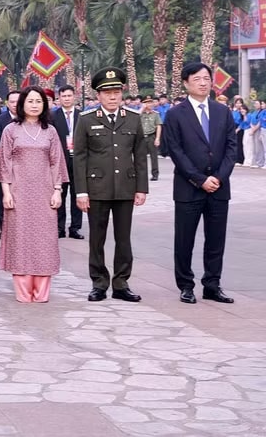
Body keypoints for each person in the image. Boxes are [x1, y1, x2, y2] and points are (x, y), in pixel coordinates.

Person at [164, 62, 237, 304]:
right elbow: (175, 151)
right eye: (197, 79)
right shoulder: (175, 114)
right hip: (188, 188)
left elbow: (231, 148)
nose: (203, 83)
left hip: (219, 188)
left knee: (216, 240)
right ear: (186, 83)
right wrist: (199, 179)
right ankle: (186, 285)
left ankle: (212, 285)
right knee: (184, 240)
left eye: (207, 78)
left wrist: (218, 177)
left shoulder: (223, 112)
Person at [73, 67, 148, 303]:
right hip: (97, 189)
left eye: (116, 92)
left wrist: (142, 188)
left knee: (123, 238)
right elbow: (80, 157)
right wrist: (81, 191)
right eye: (107, 93)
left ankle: (121, 282)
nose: (113, 97)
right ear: (98, 95)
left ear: (122, 93)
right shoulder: (86, 120)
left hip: (125, 187)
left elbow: (140, 155)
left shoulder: (134, 119)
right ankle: (99, 282)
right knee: (97, 238)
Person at [0, 87, 69, 303]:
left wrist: (57, 190)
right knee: (21, 239)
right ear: (22, 104)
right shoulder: (11, 130)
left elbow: (57, 162)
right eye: (30, 101)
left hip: (45, 193)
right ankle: (24, 291)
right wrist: (6, 192)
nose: (34, 105)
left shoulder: (50, 131)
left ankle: (42, 291)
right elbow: (4, 162)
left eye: (39, 101)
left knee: (44, 240)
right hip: (18, 192)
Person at [51, 85, 84, 239]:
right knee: (60, 195)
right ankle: (59, 227)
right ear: (59, 98)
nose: (67, 99)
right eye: (64, 96)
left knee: (78, 194)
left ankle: (75, 228)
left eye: (69, 96)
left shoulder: (82, 116)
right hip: (60, 161)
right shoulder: (52, 116)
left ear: (74, 97)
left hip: (79, 161)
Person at [0, 91, 20, 237]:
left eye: (18, 101)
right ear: (7, 103)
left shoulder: (28, 118)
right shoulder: (0, 120)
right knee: (3, 196)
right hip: (5, 164)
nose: (15, 104)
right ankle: (4, 228)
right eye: (12, 102)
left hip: (23, 167)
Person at [140, 95, 163, 181]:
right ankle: (142, 175)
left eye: (150, 103)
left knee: (154, 157)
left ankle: (155, 174)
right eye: (147, 103)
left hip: (151, 136)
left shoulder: (155, 114)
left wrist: (157, 138)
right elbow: (134, 118)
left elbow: (159, 126)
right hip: (141, 137)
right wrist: (142, 109)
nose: (149, 104)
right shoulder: (140, 113)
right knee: (141, 157)